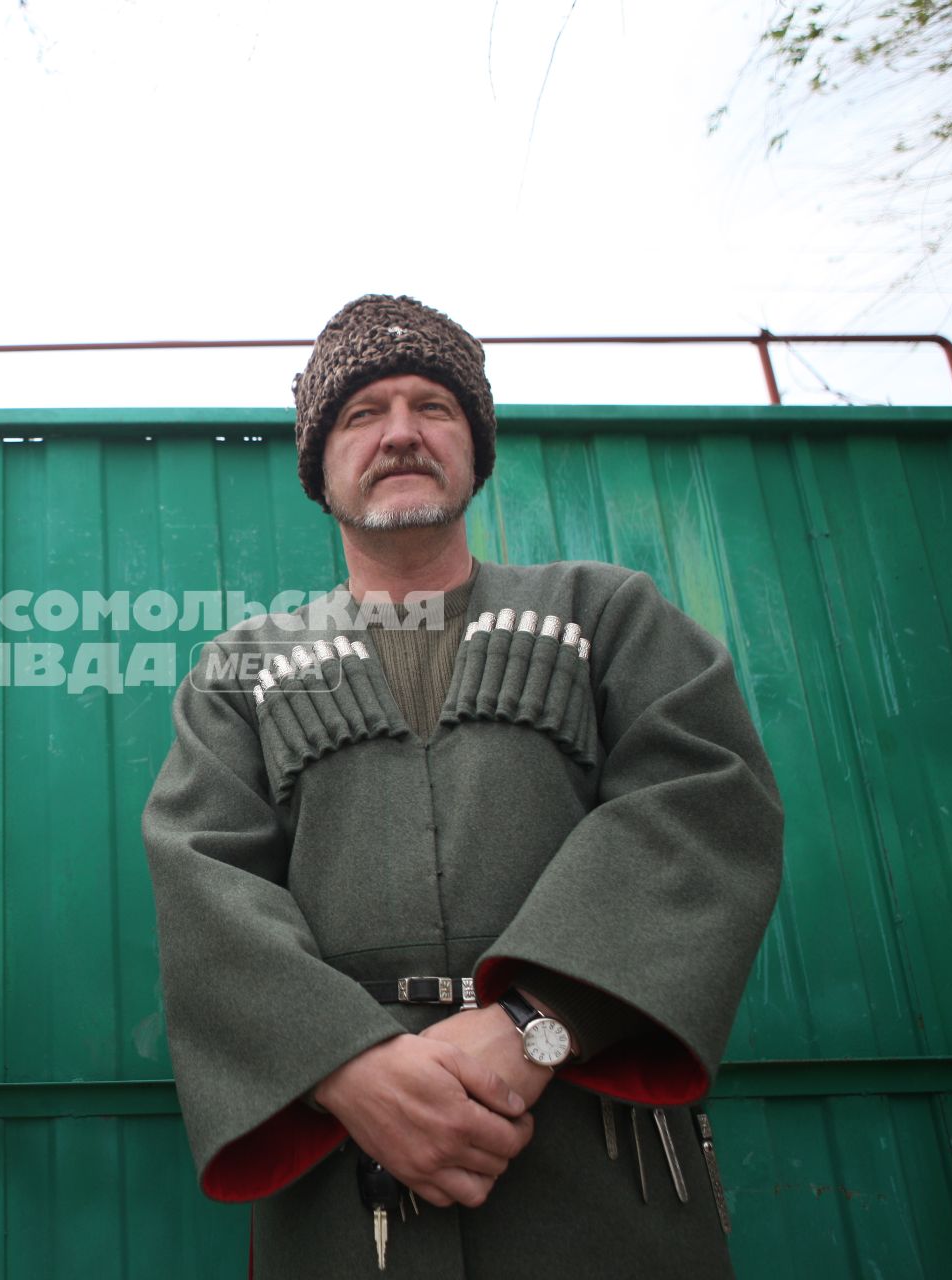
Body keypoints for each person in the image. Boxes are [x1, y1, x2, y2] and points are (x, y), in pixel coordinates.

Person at [143, 295, 783, 1277]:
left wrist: (535, 1021)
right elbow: (202, 880)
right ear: (319, 467)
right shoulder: (239, 667)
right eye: (361, 414)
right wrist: (348, 1066)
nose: (400, 431)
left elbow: (705, 800)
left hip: (599, 1172)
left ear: (477, 450)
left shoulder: (605, 614)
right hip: (347, 1187)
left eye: (433, 405)